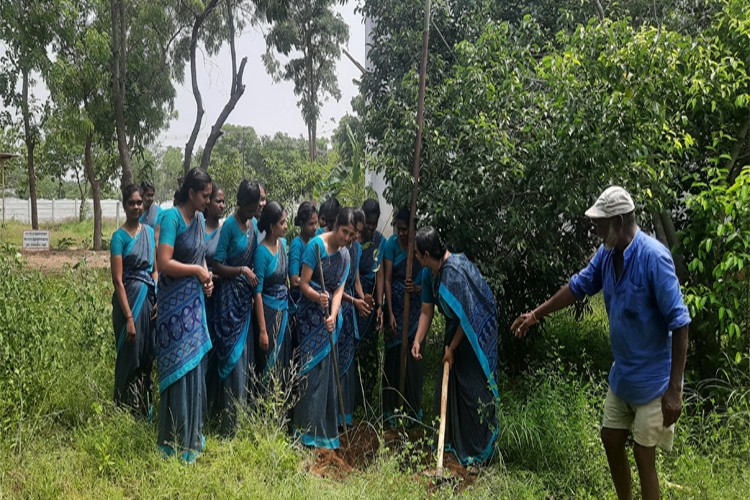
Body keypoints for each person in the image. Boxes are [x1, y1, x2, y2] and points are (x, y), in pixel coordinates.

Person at [511, 186, 690, 500]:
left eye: (599, 225)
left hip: (654, 382)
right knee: (610, 437)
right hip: (623, 377)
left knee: (643, 456)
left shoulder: (653, 258)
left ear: (619, 223)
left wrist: (675, 389)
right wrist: (536, 314)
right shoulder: (608, 254)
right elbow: (578, 286)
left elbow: (680, 321)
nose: (595, 231)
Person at [411, 226, 499, 465]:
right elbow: (426, 311)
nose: (416, 258)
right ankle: (450, 443)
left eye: (418, 254)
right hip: (457, 327)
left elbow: (468, 316)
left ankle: (480, 449)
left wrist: (451, 349)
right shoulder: (429, 274)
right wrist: (418, 339)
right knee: (448, 387)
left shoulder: (455, 273)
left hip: (476, 331)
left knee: (474, 389)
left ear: (427, 255)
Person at [155, 168, 214, 463]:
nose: (209, 200)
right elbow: (163, 262)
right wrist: (196, 271)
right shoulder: (171, 219)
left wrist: (207, 277)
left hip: (194, 303)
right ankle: (172, 438)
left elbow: (200, 256)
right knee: (178, 366)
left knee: (195, 368)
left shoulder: (201, 220)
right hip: (173, 308)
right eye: (205, 195)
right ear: (191, 193)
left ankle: (191, 436)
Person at [293, 208, 356, 448]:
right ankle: (305, 431)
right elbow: (303, 284)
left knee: (328, 374)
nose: (347, 238)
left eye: (351, 235)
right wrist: (316, 297)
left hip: (330, 319)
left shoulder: (346, 255)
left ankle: (324, 432)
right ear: (336, 226)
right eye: (344, 232)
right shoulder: (315, 248)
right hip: (310, 317)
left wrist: (333, 314)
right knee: (312, 374)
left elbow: (339, 290)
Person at [210, 180, 261, 436]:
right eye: (251, 206)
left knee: (245, 357)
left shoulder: (251, 225)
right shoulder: (229, 226)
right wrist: (241, 270)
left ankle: (242, 418)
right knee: (232, 357)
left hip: (245, 300)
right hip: (228, 299)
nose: (254, 211)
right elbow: (217, 264)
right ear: (241, 203)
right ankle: (227, 423)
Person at [110, 184, 157, 418]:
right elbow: (118, 281)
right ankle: (123, 409)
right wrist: (129, 317)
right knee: (130, 355)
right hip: (128, 304)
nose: (137, 206)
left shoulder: (149, 233)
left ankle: (143, 409)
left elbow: (155, 270)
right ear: (124, 205)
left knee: (148, 354)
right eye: (132, 203)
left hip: (148, 302)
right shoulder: (118, 237)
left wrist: (156, 296)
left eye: (139, 202)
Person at [383, 207, 424, 423]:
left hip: (415, 309)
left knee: (413, 359)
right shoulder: (390, 245)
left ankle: (411, 409)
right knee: (394, 357)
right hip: (396, 306)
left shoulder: (418, 245)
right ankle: (391, 410)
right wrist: (389, 311)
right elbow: (388, 279)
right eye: (398, 229)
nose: (401, 233)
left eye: (405, 229)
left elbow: (425, 275)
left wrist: (416, 288)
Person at [254, 201, 293, 390]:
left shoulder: (283, 245)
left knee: (283, 361)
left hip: (283, 311)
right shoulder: (261, 252)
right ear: (272, 226)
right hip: (268, 315)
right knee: (269, 363)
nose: (286, 226)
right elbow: (258, 293)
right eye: (283, 222)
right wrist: (263, 330)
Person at [338, 209, 371, 425]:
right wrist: (355, 301)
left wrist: (362, 298)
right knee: (337, 360)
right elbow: (338, 286)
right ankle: (335, 415)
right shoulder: (340, 248)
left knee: (348, 362)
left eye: (359, 232)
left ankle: (346, 415)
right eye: (354, 231)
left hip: (350, 307)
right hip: (337, 304)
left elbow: (356, 279)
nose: (356, 236)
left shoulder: (357, 249)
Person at [355, 199, 386, 410]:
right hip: (356, 299)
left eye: (375, 223)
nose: (371, 227)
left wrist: (380, 305)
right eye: (369, 222)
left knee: (370, 353)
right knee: (354, 350)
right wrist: (360, 297)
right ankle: (353, 400)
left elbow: (381, 275)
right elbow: (353, 272)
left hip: (371, 301)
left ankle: (367, 399)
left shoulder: (379, 241)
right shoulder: (355, 239)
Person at [203, 183, 225, 418]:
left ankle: (214, 406)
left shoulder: (225, 231)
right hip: (200, 296)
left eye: (223, 201)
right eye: (217, 201)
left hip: (219, 297)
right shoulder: (197, 227)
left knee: (218, 350)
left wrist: (214, 275)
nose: (221, 205)